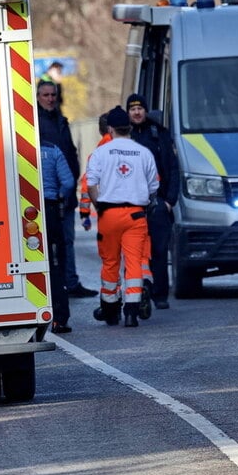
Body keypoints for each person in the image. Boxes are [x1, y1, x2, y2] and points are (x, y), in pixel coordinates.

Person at [86, 106, 158, 328]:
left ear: (110, 128)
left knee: (110, 262)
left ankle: (110, 308)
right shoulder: (143, 152)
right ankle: (132, 311)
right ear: (129, 127)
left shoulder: (101, 152)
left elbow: (90, 184)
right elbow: (154, 185)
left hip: (109, 214)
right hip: (136, 215)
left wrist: (100, 204)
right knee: (134, 262)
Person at [36, 79, 97, 299]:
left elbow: (71, 154)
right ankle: (55, 286)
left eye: (53, 95)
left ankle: (70, 282)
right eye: (46, 95)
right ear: (38, 97)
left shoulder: (61, 121)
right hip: (49, 195)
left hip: (66, 194)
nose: (50, 99)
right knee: (49, 243)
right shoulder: (36, 123)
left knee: (67, 241)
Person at [126, 93, 180, 310]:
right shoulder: (124, 137)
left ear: (146, 111)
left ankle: (160, 295)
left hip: (158, 202)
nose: (137, 112)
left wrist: (170, 201)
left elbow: (173, 169)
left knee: (158, 250)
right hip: (131, 204)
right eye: (132, 109)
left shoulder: (160, 134)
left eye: (140, 109)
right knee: (133, 252)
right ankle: (136, 294)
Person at [39, 139, 75, 334]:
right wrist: (60, 196)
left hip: (23, 212)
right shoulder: (53, 150)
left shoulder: (16, 147)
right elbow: (68, 182)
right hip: (50, 210)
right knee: (55, 265)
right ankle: (59, 319)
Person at [79, 112, 112, 231]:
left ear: (100, 130)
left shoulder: (97, 154)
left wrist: (84, 213)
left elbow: (87, 183)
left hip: (107, 211)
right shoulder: (134, 149)